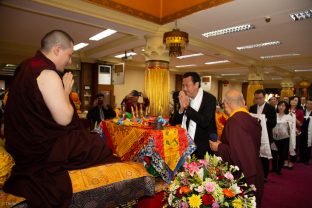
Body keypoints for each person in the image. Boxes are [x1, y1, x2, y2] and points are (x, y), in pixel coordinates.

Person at [3, 30, 119, 208]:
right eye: (69, 55)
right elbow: (64, 119)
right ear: (57, 50)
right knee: (96, 144)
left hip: (20, 144)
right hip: (41, 149)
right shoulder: (47, 73)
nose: (70, 61)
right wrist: (65, 90)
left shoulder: (25, 66)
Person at [209, 89, 264, 207]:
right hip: (256, 169)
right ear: (243, 102)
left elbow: (239, 155)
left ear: (226, 104)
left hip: (245, 176)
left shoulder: (234, 122)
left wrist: (219, 147)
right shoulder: (251, 119)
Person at [171, 72, 217, 159]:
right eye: (183, 85)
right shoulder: (183, 98)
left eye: (187, 85)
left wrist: (186, 107)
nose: (184, 89)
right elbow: (173, 122)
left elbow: (204, 122)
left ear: (196, 84)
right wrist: (181, 108)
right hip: (184, 144)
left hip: (202, 146)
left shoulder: (209, 99)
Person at [249, 89, 276, 182]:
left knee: (264, 156)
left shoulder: (271, 108)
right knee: (255, 155)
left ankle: (264, 175)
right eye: (256, 98)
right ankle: (255, 173)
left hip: (266, 135)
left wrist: (265, 121)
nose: (258, 100)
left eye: (260, 98)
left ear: (264, 97)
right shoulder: (252, 108)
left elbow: (274, 123)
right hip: (254, 135)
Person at [272, 100, 295, 175]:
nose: (281, 107)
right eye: (280, 105)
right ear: (277, 106)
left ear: (286, 107)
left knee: (282, 154)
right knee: (274, 153)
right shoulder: (274, 114)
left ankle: (279, 169)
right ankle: (274, 168)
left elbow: (291, 128)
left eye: (283, 105)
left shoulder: (288, 116)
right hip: (274, 137)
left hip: (284, 138)